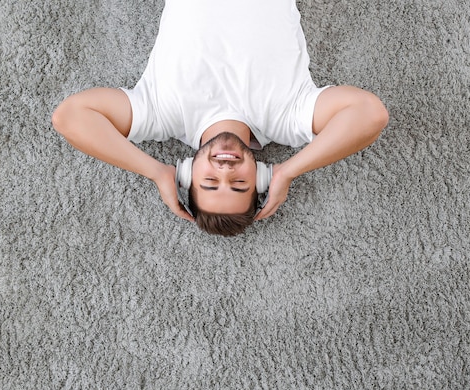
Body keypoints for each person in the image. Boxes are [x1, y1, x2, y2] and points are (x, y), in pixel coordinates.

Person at [52, 0, 389, 236]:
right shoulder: (289, 117)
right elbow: (369, 113)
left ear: (186, 173)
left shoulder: (160, 114)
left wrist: (155, 171)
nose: (225, 171)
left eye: (210, 182)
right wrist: (289, 170)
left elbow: (71, 115)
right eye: (239, 184)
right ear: (261, 177)